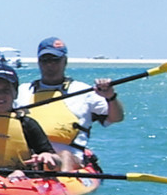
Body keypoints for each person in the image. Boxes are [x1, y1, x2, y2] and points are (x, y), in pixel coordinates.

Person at [15, 37, 124, 166]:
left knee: (65, 155)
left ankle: (62, 181)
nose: (50, 65)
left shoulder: (83, 91)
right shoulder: (22, 91)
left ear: (65, 61)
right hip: (30, 157)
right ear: (39, 62)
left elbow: (116, 118)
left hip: (69, 159)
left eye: (55, 60)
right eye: (45, 60)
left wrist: (110, 96)